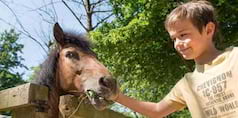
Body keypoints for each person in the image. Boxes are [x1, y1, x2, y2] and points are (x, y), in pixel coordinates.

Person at [110, 1, 238, 118]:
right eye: (174, 39)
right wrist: (117, 96)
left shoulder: (234, 58)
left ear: (209, 30)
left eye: (183, 35)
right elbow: (157, 110)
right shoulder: (187, 83)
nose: (177, 44)